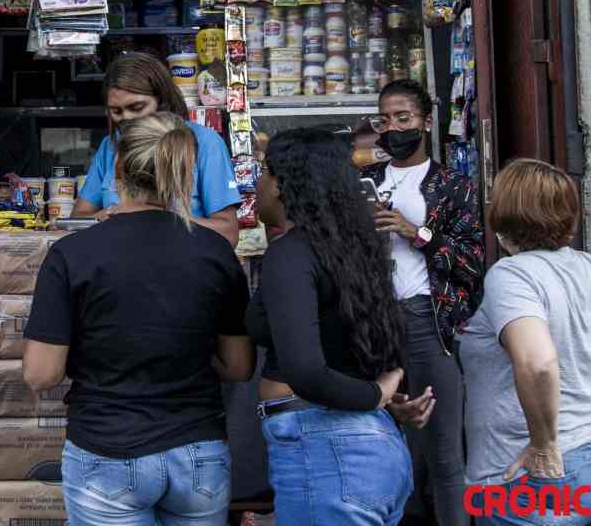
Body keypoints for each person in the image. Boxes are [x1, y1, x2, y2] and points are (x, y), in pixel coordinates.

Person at [23, 112, 256, 526]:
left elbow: (41, 374)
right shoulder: (216, 252)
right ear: (185, 170)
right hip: (199, 451)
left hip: (107, 447)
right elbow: (238, 367)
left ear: (116, 167)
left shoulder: (73, 254)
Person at [462, 159, 591, 525]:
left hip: (528, 477)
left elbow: (538, 361)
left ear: (505, 214)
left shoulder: (512, 275)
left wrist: (544, 445)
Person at [246, 127, 415, 526]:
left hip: (326, 446)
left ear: (288, 183)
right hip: (367, 446)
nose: (259, 182)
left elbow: (305, 371)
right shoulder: (353, 248)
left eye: (266, 171)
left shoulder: (291, 255)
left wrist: (374, 396)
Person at [361, 79, 485, 526]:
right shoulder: (365, 182)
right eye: (384, 120)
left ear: (426, 122)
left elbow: (473, 262)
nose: (392, 128)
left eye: (403, 118)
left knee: (444, 454)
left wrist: (417, 234)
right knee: (383, 453)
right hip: (372, 325)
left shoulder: (451, 185)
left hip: (426, 321)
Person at [73, 52, 241, 246]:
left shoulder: (205, 143)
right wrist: (104, 217)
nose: (126, 118)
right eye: (116, 111)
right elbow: (78, 218)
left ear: (162, 100)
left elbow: (228, 233)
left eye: (137, 107)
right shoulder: (109, 146)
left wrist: (154, 217)